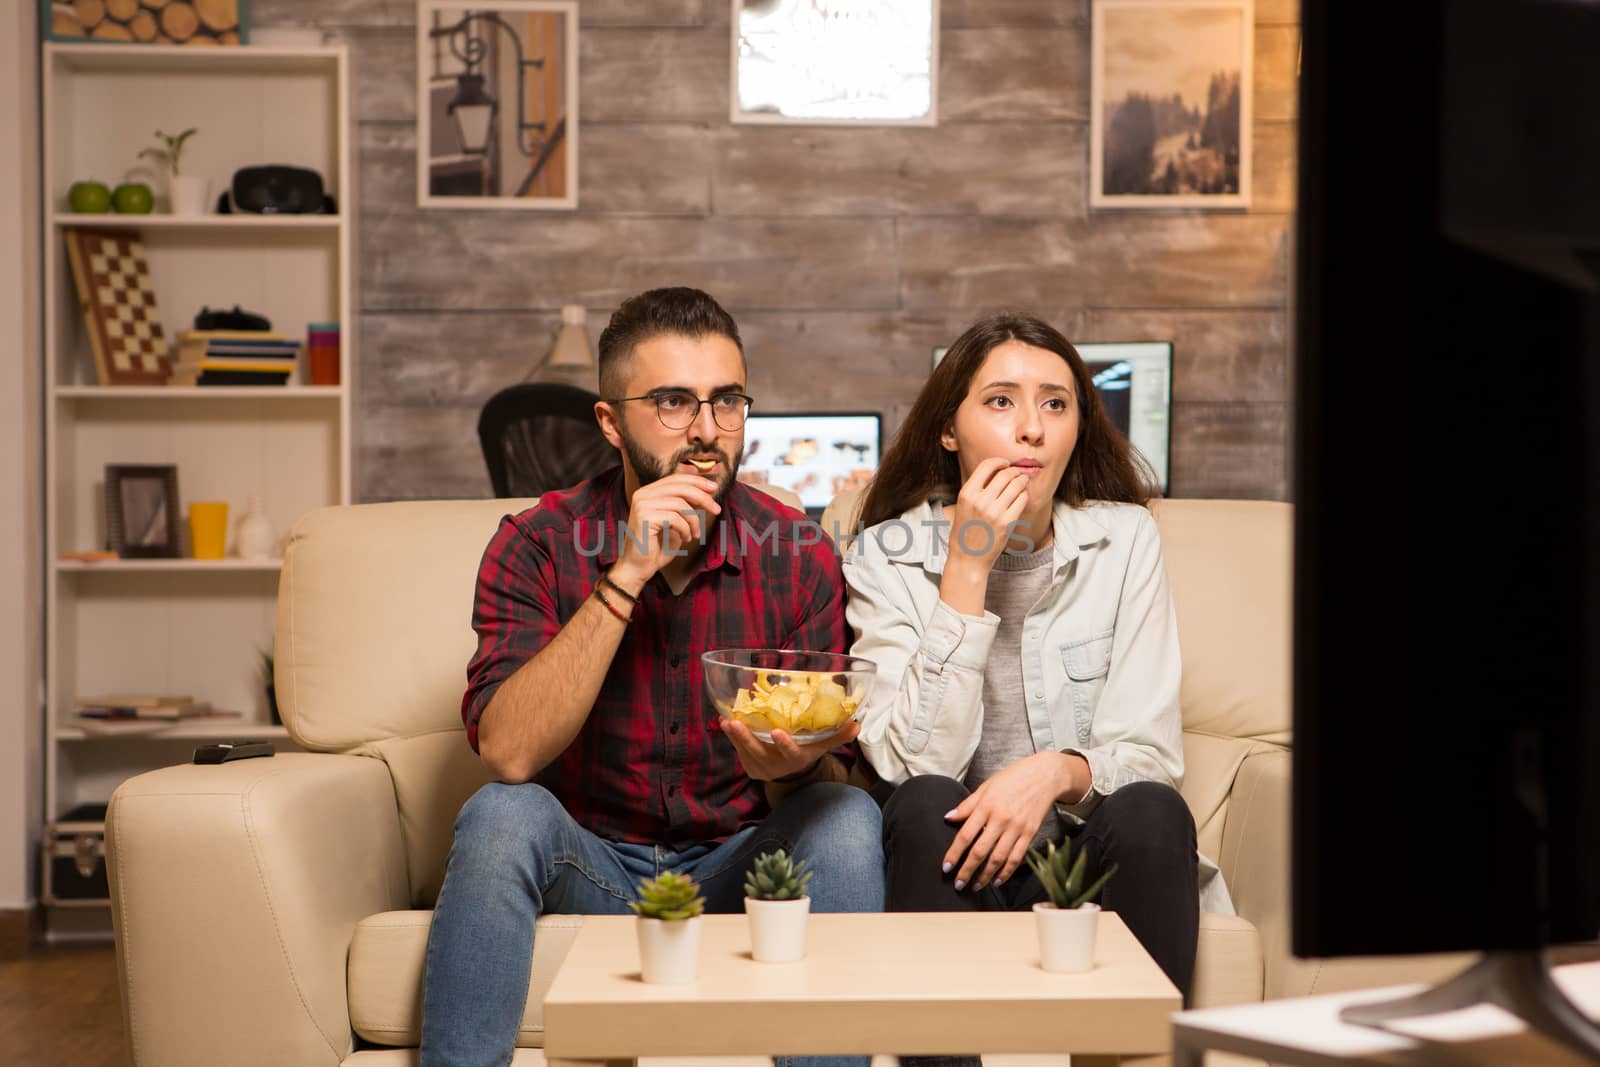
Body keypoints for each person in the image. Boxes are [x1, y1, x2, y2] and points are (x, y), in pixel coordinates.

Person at [421, 287, 882, 1067]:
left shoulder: (798, 553)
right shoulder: (536, 544)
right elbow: (507, 751)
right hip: (592, 861)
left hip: (740, 860)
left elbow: (830, 760)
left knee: (843, 814)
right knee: (501, 813)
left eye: (726, 401)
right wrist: (627, 572)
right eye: (673, 402)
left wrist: (786, 773)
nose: (706, 430)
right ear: (610, 422)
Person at [843, 312, 1230, 1066]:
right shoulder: (884, 554)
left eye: (1056, 403)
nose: (1031, 429)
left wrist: (1055, 770)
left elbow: (1149, 751)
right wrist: (966, 571)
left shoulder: (1126, 541)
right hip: (956, 859)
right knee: (921, 800)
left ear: (1079, 428)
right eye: (1000, 402)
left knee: (1154, 808)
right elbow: (905, 762)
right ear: (948, 431)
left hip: (1084, 860)